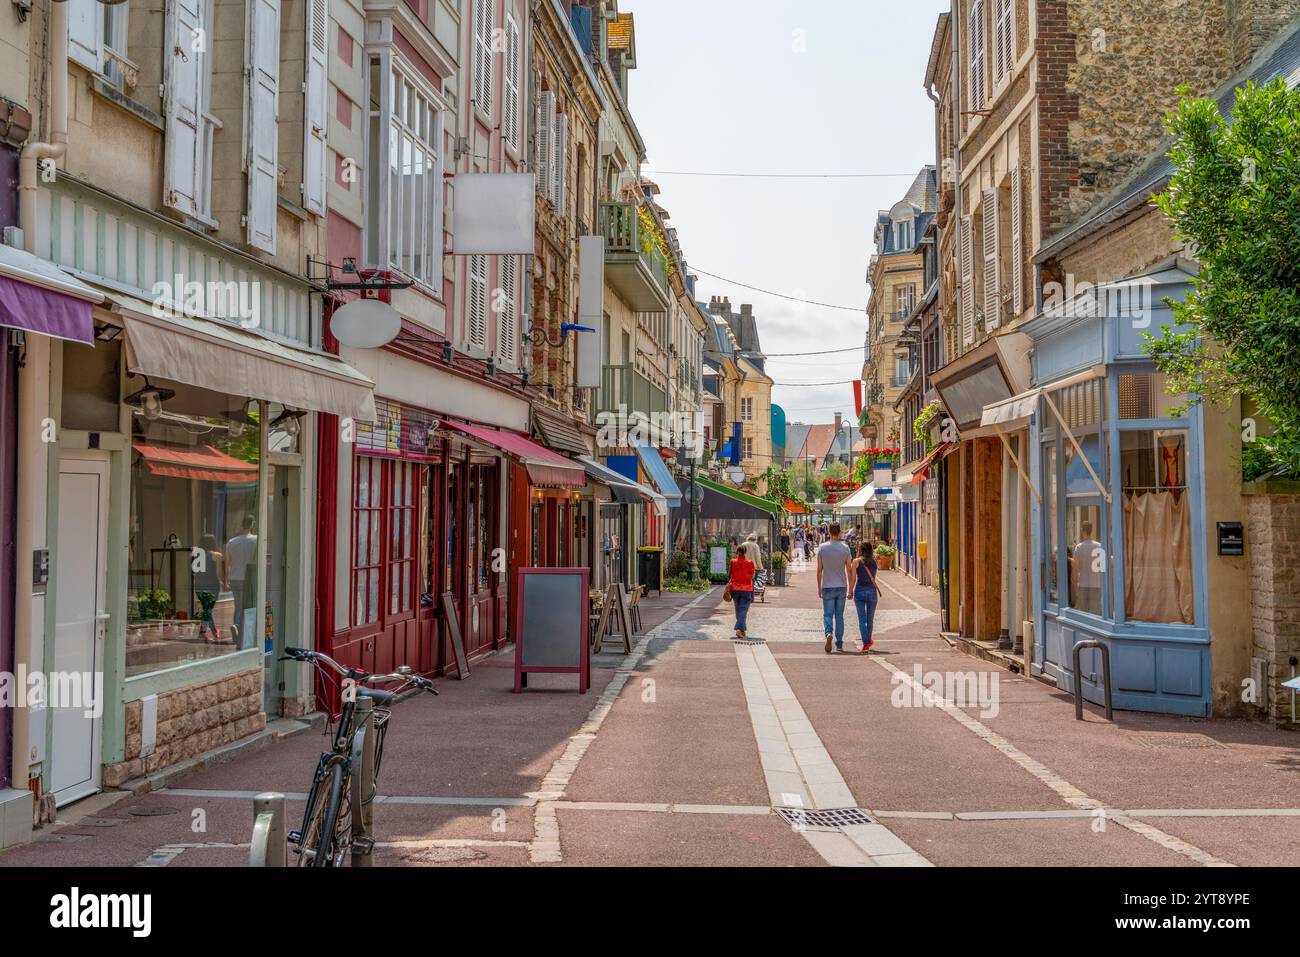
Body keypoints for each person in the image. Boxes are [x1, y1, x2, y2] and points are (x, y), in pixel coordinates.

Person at [816, 523, 854, 654]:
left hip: (827, 586)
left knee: (827, 614)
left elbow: (819, 570)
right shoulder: (845, 548)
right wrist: (850, 589)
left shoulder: (822, 548)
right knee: (839, 616)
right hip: (841, 586)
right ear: (839, 533)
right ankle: (839, 643)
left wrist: (819, 588)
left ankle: (828, 634)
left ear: (828, 532)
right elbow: (849, 569)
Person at [224, 514, 258, 648]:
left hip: (234, 578)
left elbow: (227, 563)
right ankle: (241, 629)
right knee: (248, 607)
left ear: (242, 524)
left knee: (238, 606)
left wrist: (226, 580)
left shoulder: (232, 542)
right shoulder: (256, 540)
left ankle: (237, 628)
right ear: (252, 524)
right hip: (248, 578)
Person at [852, 541, 880, 654]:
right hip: (872, 592)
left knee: (862, 620)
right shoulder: (874, 562)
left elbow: (853, 579)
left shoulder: (856, 562)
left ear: (860, 550)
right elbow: (874, 577)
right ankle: (867, 641)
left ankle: (866, 643)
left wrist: (850, 591)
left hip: (859, 592)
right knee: (870, 619)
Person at [729, 542, 757, 638]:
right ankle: (738, 628)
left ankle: (742, 630)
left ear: (737, 552)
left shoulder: (733, 562)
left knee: (738, 609)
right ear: (745, 552)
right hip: (746, 589)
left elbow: (730, 574)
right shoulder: (750, 563)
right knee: (743, 609)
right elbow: (753, 575)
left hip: (735, 588)